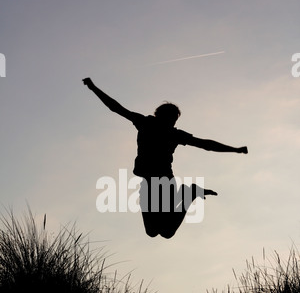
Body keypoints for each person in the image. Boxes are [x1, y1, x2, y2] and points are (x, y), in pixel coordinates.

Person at [83, 77, 248, 238]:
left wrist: (234, 150)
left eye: (174, 120)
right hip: (148, 183)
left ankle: (188, 193)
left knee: (166, 232)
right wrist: (94, 88)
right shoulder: (146, 123)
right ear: (158, 115)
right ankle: (188, 193)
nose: (172, 122)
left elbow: (205, 144)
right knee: (153, 232)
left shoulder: (173, 133)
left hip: (165, 182)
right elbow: (116, 108)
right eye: (171, 118)